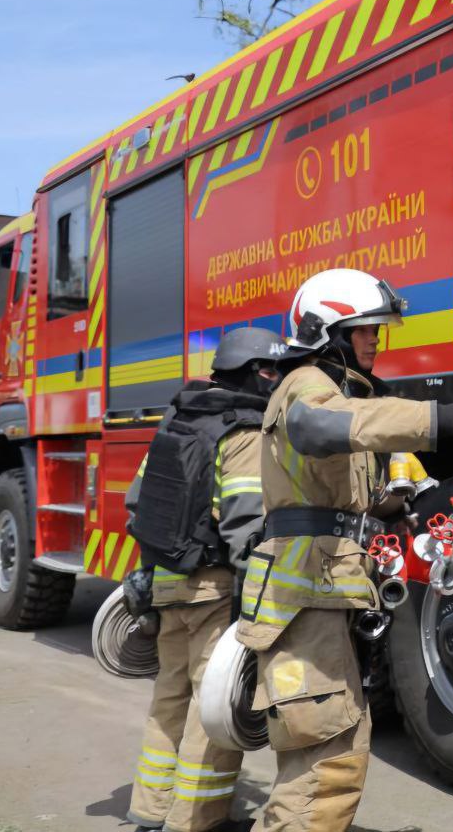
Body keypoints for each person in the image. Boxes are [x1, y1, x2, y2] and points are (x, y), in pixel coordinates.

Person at [236, 269, 453, 832]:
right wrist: (437, 419)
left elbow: (333, 489)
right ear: (330, 332)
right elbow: (315, 428)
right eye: (365, 331)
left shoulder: (336, 392)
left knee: (329, 759)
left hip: (319, 597)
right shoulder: (307, 384)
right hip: (303, 600)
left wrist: (391, 508)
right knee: (322, 769)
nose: (376, 342)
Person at [125, 326, 287, 832]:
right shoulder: (240, 431)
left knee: (168, 696)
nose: (275, 380)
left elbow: (138, 502)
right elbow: (244, 526)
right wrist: (260, 595)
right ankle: (197, 817)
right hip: (214, 589)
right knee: (211, 705)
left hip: (167, 581)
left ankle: (149, 810)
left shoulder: (176, 419)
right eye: (269, 371)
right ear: (247, 372)